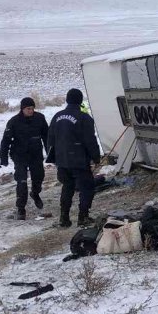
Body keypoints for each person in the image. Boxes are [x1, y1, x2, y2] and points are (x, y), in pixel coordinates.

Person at [47, 88, 101, 227]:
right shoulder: (84, 118)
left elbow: (50, 139)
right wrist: (96, 158)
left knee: (67, 187)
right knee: (87, 188)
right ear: (80, 101)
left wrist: (55, 157)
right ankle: (83, 217)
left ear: (67, 100)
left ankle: (64, 218)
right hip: (79, 160)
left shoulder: (57, 116)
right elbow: (90, 140)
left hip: (62, 160)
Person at [0, 97, 49, 220]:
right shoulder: (14, 121)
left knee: (39, 176)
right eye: (28, 109)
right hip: (19, 155)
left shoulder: (40, 118)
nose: (31, 111)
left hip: (36, 153)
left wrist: (50, 152)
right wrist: (3, 158)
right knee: (21, 181)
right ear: (22, 109)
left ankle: (35, 193)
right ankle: (21, 208)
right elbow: (5, 140)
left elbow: (46, 136)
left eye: (32, 108)